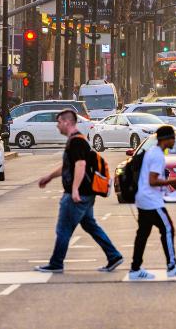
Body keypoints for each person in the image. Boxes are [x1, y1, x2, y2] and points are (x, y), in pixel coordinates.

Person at [34, 109, 123, 274]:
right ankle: (114, 256)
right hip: (86, 194)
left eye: (59, 122)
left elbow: (80, 165)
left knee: (63, 229)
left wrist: (74, 190)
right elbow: (69, 166)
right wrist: (49, 176)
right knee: (90, 225)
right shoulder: (77, 141)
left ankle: (56, 263)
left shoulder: (76, 142)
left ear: (67, 123)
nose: (57, 125)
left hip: (78, 195)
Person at [129, 125, 176, 280]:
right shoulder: (157, 155)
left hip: (143, 199)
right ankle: (172, 266)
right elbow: (152, 180)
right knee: (168, 229)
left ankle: (135, 268)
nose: (174, 141)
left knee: (143, 234)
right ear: (166, 139)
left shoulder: (152, 152)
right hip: (151, 201)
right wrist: (173, 179)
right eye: (173, 138)